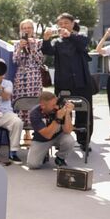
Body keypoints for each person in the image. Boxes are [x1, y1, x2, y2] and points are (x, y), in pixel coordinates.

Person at [41, 13, 94, 147]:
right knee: (61, 111)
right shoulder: (57, 41)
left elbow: (84, 44)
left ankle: (84, 141)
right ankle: (61, 140)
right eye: (61, 23)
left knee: (84, 113)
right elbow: (47, 51)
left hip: (82, 82)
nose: (63, 25)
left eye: (66, 23)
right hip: (63, 83)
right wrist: (46, 39)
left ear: (72, 24)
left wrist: (70, 35)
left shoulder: (80, 37)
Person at [12, 19, 44, 145]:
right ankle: (23, 134)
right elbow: (15, 60)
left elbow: (40, 60)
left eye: (29, 27)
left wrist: (32, 47)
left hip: (34, 76)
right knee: (21, 103)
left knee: (34, 104)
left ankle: (33, 134)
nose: (26, 30)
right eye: (24, 28)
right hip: (21, 76)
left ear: (33, 29)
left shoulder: (39, 43)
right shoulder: (17, 43)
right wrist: (20, 47)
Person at [26, 91, 76, 168]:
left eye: (55, 103)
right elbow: (47, 135)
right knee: (32, 165)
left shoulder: (61, 106)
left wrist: (67, 113)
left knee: (69, 140)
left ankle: (60, 158)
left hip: (59, 136)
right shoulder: (35, 113)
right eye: (53, 105)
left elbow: (68, 131)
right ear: (43, 106)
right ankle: (44, 154)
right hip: (42, 139)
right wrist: (58, 118)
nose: (56, 107)